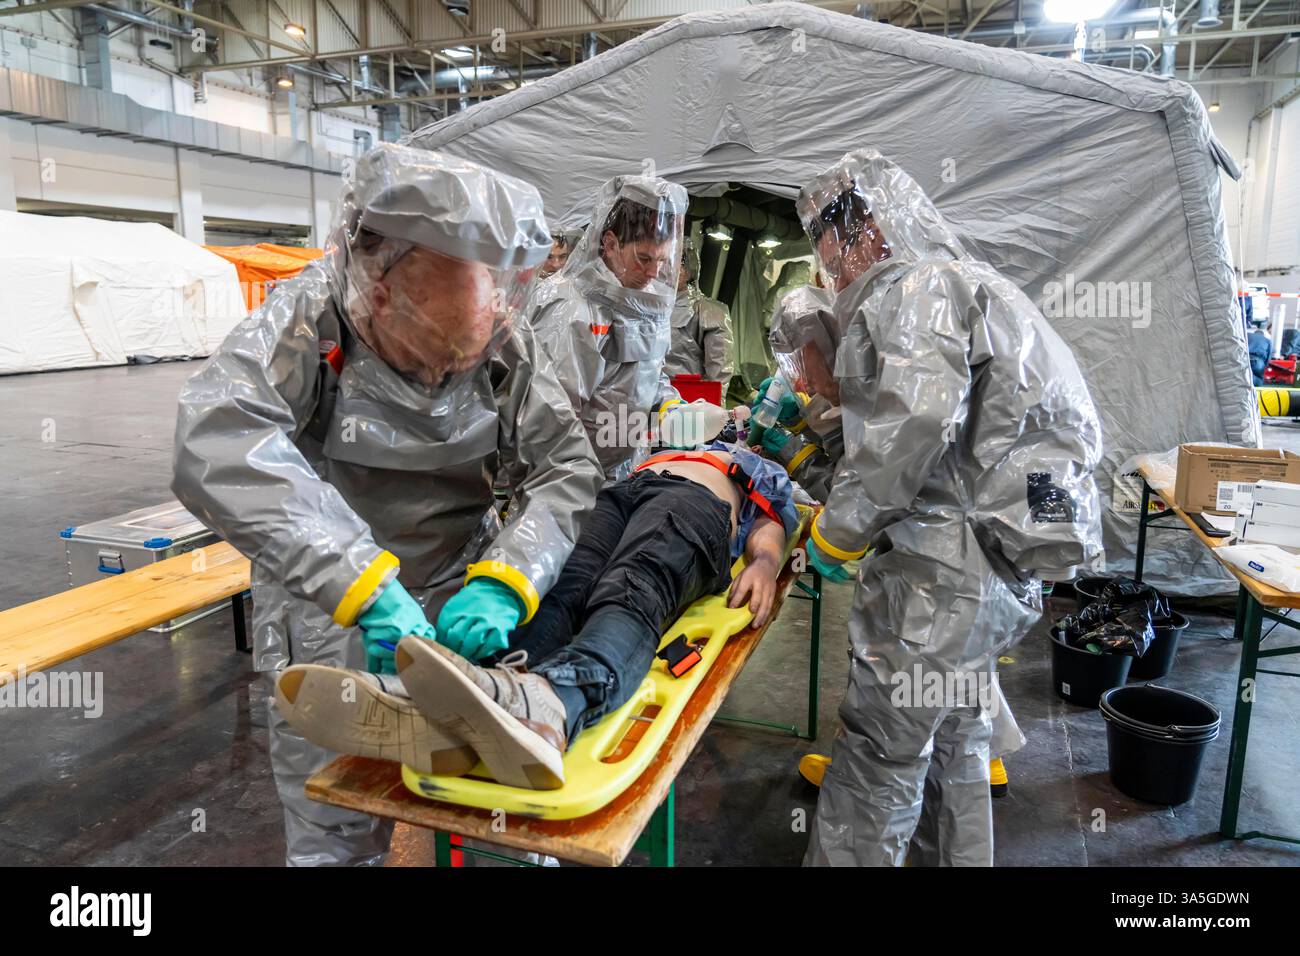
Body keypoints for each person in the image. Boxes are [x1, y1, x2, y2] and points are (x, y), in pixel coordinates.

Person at [170, 143, 603, 866]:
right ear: (375, 291)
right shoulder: (308, 319)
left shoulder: (498, 338)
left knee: (512, 823)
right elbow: (212, 440)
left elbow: (567, 466)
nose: (445, 376)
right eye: (431, 353)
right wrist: (362, 585)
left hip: (466, 595)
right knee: (335, 830)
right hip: (330, 609)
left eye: (462, 361)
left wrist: (509, 578)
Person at [796, 149, 1103, 867]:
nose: (831, 272)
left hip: (945, 574)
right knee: (959, 737)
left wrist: (837, 535)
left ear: (865, 231)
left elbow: (913, 424)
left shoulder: (920, 289)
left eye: (829, 250)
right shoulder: (977, 284)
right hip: (1005, 568)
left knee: (879, 756)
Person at [274, 442, 799, 790]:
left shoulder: (754, 466)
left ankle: (555, 703)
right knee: (562, 589)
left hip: (697, 504)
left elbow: (773, 519)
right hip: (618, 494)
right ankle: (488, 689)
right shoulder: (658, 447)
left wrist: (767, 562)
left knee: (631, 588)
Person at [759, 284, 1026, 802]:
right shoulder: (868, 379)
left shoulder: (890, 382)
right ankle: (974, 759)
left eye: (806, 365)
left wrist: (801, 465)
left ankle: (888, 782)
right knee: (954, 653)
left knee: (916, 656)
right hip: (961, 549)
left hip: (945, 546)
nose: (805, 382)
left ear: (830, 347)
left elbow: (868, 482)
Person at [525, 175, 690, 480]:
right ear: (610, 244)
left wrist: (669, 404)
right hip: (567, 480)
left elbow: (647, 373)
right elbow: (552, 420)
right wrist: (570, 486)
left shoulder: (643, 301)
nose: (653, 272)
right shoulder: (572, 309)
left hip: (621, 471)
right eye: (643, 258)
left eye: (662, 260)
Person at [664, 237, 735, 393]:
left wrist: (714, 410)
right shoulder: (647, 306)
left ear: (690, 270)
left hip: (685, 400)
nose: (668, 269)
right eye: (664, 261)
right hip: (644, 397)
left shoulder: (711, 313)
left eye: (678, 263)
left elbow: (719, 373)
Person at [1248, 319, 1272, 386]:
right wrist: (1265, 366)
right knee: (1260, 379)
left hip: (1245, 358)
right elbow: (1268, 356)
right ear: (1263, 334)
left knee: (1242, 375)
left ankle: (1248, 378)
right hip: (1258, 361)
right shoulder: (1267, 340)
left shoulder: (1247, 336)